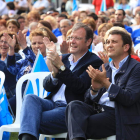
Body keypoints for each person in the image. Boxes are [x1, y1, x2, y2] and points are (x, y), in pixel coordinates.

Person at [18, 23, 103, 140]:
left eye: (77, 38)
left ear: (88, 42)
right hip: (52, 104)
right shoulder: (65, 57)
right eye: (70, 38)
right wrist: (54, 74)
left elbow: (80, 86)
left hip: (71, 109)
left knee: (30, 119)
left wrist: (61, 67)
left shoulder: (94, 61)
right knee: (30, 98)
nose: (72, 41)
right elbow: (47, 86)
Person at [66, 26, 140, 140]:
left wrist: (106, 83)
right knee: (74, 106)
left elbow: (129, 98)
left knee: (78, 125)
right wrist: (94, 89)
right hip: (99, 110)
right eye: (107, 42)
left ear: (126, 47)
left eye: (114, 42)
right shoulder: (105, 67)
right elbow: (87, 100)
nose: (109, 45)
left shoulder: (136, 68)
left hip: (119, 113)